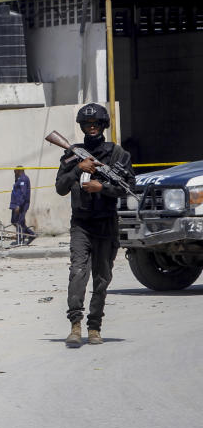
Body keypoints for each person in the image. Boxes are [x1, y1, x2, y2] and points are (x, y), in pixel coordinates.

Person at [55, 103, 134, 348]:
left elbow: (128, 188)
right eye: (87, 124)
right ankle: (75, 325)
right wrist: (78, 169)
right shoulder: (72, 154)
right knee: (78, 273)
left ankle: (94, 326)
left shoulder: (118, 154)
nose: (92, 128)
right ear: (81, 127)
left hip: (106, 224)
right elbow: (60, 188)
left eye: (96, 124)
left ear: (103, 126)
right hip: (81, 224)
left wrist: (103, 188)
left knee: (102, 279)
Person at [9, 167, 35, 246]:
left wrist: (18, 205)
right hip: (15, 204)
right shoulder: (19, 179)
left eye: (15, 171)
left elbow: (23, 194)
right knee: (15, 221)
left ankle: (20, 239)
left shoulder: (23, 179)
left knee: (19, 222)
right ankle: (30, 234)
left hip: (21, 205)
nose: (14, 173)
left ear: (19, 171)